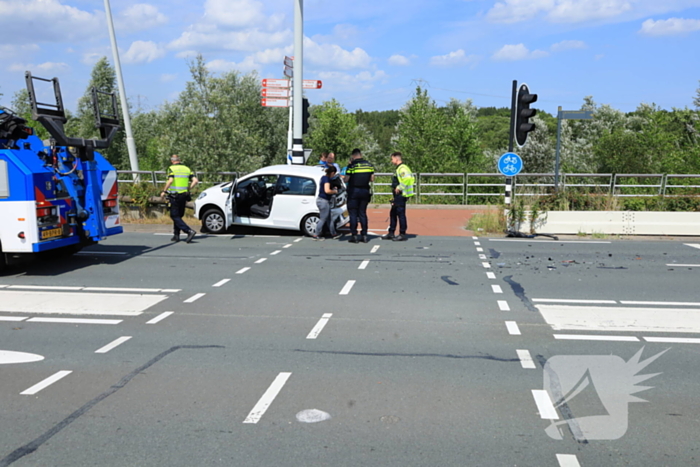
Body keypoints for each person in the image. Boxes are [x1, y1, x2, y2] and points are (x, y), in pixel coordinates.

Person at [160, 155, 198, 243]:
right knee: (178, 215)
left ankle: (189, 231)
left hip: (174, 195)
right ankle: (176, 235)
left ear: (171, 161)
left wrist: (164, 191)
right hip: (183, 195)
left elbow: (170, 181)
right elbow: (195, 181)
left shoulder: (171, 169)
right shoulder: (186, 168)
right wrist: (188, 189)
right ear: (179, 160)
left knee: (174, 215)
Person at [343, 148, 375, 243]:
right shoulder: (369, 165)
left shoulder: (352, 166)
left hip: (353, 191)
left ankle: (354, 235)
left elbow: (346, 179)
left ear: (353, 156)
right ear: (360, 154)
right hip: (365, 191)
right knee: (362, 213)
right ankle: (364, 235)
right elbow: (372, 179)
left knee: (353, 213)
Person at [382, 151, 415, 241]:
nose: (391, 161)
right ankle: (391, 232)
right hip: (397, 195)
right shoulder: (399, 168)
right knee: (393, 213)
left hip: (401, 195)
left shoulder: (402, 168)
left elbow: (408, 178)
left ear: (396, 159)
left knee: (400, 214)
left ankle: (402, 234)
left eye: (392, 159)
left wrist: (400, 187)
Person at [314, 166, 340, 240]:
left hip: (322, 200)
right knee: (323, 218)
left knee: (329, 218)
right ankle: (316, 234)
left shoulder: (323, 177)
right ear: (332, 173)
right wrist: (335, 191)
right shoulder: (326, 179)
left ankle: (333, 233)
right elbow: (327, 190)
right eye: (334, 174)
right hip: (323, 201)